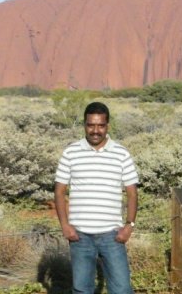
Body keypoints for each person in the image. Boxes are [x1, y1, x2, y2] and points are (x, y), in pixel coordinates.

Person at [54, 101, 138, 294]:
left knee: (122, 289)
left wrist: (129, 226)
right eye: (91, 125)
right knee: (82, 289)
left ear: (107, 126)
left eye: (100, 125)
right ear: (84, 124)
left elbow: (132, 192)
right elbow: (59, 191)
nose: (95, 130)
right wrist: (65, 226)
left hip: (112, 235)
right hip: (80, 235)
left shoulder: (121, 153)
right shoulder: (70, 152)